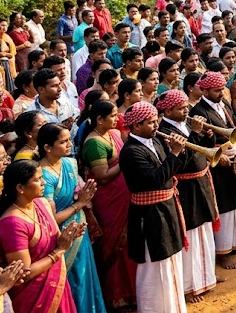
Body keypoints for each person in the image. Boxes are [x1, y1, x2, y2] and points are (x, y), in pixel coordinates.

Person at [120, 101, 190, 313]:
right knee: (154, 267)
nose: (156, 126)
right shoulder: (131, 152)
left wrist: (181, 151)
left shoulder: (155, 141)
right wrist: (174, 154)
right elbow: (154, 180)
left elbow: (174, 171)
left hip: (165, 209)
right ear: (136, 126)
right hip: (149, 216)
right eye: (151, 123)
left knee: (171, 262)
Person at [0, 160, 85, 313]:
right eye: (37, 179)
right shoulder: (12, 224)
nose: (43, 183)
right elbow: (23, 273)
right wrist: (59, 251)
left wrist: (68, 237)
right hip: (33, 298)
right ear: (20, 188)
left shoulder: (42, 204)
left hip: (56, 286)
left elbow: (51, 240)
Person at [156, 89, 222, 303]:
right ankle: (189, 286)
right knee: (191, 234)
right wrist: (195, 134)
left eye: (186, 107)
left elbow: (204, 150)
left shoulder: (186, 123)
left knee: (204, 231)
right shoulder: (165, 131)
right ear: (168, 110)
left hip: (200, 182)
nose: (186, 111)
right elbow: (179, 163)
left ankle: (206, 276)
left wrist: (207, 136)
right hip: (186, 188)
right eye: (181, 108)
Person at [189, 71, 236, 270]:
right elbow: (201, 145)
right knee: (226, 207)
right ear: (205, 90)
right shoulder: (199, 113)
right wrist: (220, 157)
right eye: (217, 90)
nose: (221, 93)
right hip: (219, 165)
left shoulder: (224, 104)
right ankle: (224, 252)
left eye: (222, 89)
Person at [36, 123, 106, 313]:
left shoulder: (70, 163)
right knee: (70, 281)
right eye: (63, 141)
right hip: (61, 235)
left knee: (85, 276)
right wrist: (79, 204)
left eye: (69, 140)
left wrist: (83, 199)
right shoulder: (42, 175)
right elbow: (50, 219)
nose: (69, 145)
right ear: (47, 147)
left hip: (79, 229)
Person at [77, 99, 137, 309]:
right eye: (112, 116)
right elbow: (102, 176)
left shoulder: (112, 134)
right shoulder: (94, 142)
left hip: (123, 196)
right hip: (109, 200)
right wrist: (126, 158)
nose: (116, 119)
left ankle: (132, 291)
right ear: (99, 119)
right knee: (115, 247)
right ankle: (117, 295)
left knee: (129, 245)